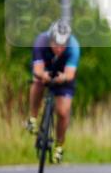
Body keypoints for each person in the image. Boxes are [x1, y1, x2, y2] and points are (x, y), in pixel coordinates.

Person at [25, 20, 80, 163]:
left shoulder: (73, 46)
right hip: (45, 71)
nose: (59, 49)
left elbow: (70, 74)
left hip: (63, 76)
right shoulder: (41, 41)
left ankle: (59, 146)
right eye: (56, 44)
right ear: (50, 39)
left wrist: (63, 78)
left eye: (63, 46)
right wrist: (43, 75)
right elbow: (37, 70)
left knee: (63, 112)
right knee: (37, 82)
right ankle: (33, 118)